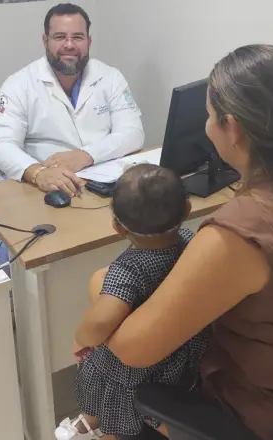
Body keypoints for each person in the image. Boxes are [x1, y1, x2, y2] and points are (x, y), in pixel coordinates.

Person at [103, 45, 273, 440]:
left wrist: (106, 284)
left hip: (246, 418)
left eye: (210, 116)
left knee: (115, 376)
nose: (207, 127)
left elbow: (132, 349)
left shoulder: (240, 233)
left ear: (234, 128)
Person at [56, 164, 208, 440]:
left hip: (140, 372)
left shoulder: (128, 270)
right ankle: (98, 419)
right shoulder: (191, 242)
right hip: (183, 356)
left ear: (117, 226)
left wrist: (82, 338)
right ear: (187, 209)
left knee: (93, 358)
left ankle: (106, 419)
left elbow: (100, 322)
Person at [0, 3, 144, 196]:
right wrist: (38, 173)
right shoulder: (18, 85)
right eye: (60, 37)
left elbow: (133, 133)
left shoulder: (111, 77)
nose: (69, 45)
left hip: (100, 182)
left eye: (77, 37)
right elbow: (1, 146)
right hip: (42, 189)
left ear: (89, 41)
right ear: (45, 41)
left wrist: (86, 155)